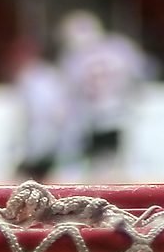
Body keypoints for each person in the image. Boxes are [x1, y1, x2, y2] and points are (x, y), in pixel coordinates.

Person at [56, 9, 151, 180]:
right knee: (119, 168)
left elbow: (69, 92)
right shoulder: (121, 48)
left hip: (93, 118)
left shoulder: (74, 58)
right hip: (121, 114)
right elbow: (144, 72)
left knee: (97, 170)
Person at [7, 35, 69, 181]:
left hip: (43, 130)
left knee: (35, 166)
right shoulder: (47, 75)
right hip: (40, 130)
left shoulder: (35, 75)